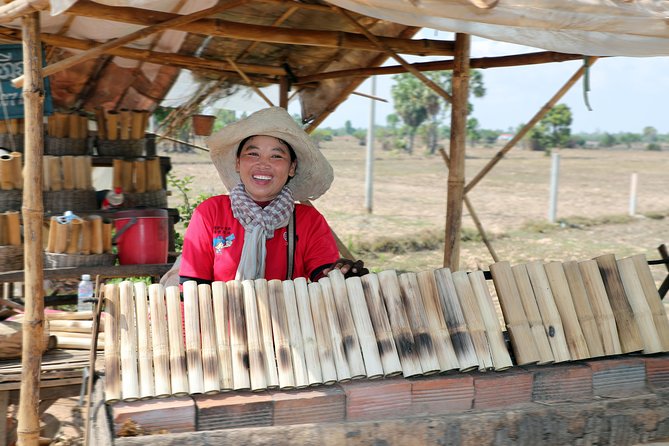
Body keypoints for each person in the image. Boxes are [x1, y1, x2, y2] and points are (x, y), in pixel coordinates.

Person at [177, 107, 367, 285]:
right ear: (237, 163)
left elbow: (324, 276)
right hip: (223, 320)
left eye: (276, 156)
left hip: (287, 320)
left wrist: (341, 275)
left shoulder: (308, 220)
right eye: (253, 154)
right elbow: (191, 289)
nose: (263, 164)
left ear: (291, 167)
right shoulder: (211, 213)